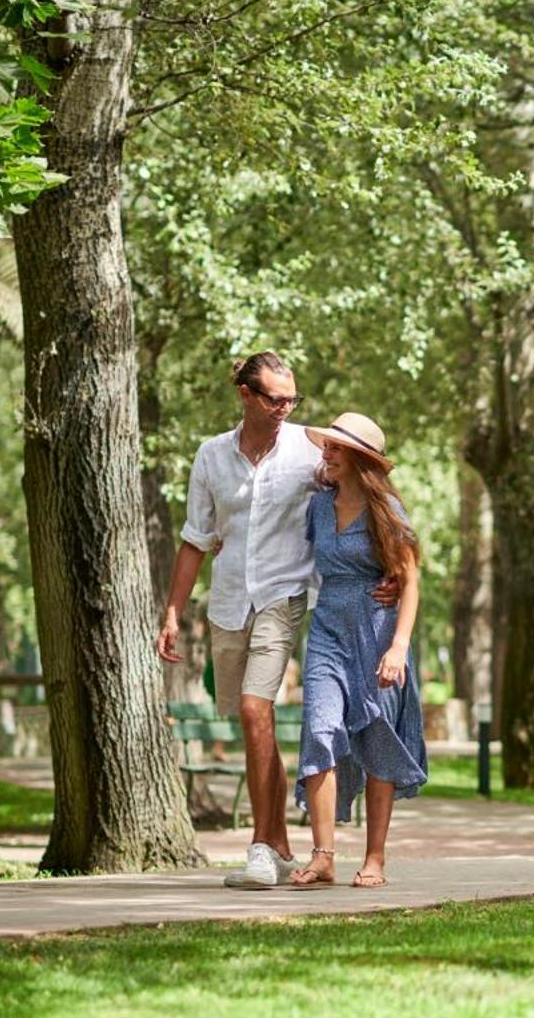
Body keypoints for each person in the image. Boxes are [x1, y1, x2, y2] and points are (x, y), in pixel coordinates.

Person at [155, 353, 394, 889]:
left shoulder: (309, 454)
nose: (286, 408)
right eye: (275, 399)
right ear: (245, 394)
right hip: (229, 602)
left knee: (253, 707)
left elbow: (363, 492)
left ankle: (262, 847)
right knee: (251, 724)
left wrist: (396, 569)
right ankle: (280, 845)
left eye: (293, 399)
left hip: (283, 597)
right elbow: (196, 538)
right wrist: (172, 612)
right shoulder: (211, 456)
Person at [289, 412, 428, 889]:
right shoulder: (318, 508)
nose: (325, 453)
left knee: (376, 738)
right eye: (325, 446)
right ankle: (323, 855)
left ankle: (375, 858)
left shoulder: (386, 511)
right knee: (319, 728)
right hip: (327, 627)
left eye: (335, 448)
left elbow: (410, 582)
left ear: (358, 459)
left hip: (377, 631)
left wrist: (398, 647)